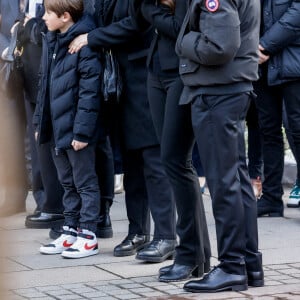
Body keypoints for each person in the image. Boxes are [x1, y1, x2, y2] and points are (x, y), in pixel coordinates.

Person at [69, 0, 177, 263]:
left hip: (145, 75)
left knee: (153, 161)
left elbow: (136, 24)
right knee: (132, 164)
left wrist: (92, 38)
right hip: (122, 80)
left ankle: (166, 236)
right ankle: (138, 231)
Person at [175, 0, 264, 292]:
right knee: (236, 180)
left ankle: (232, 267)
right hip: (228, 88)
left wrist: (185, 39)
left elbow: (219, 46)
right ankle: (248, 264)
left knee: (224, 183)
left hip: (218, 92)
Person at [137, 0, 211, 282]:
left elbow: (182, 27)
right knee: (171, 160)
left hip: (181, 73)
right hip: (156, 70)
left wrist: (150, 10)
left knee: (177, 161)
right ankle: (195, 254)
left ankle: (192, 254)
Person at [36, 0, 102, 259]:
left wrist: (82, 133)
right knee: (67, 183)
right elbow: (44, 84)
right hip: (56, 128)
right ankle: (71, 229)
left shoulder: (82, 46)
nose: (43, 18)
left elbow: (89, 93)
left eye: (48, 13)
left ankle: (88, 235)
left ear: (65, 16)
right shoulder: (51, 40)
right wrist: (40, 123)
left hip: (76, 130)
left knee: (84, 182)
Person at [14, 1, 65, 234]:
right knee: (36, 139)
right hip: (28, 62)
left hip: (49, 55)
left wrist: (32, 25)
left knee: (50, 135)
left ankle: (55, 203)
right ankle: (44, 199)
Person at [256, 0, 300, 217]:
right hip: (261, 65)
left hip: (292, 61)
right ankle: (271, 198)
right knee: (268, 130)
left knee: (298, 128)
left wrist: (263, 45)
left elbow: (296, 14)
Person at [0, 0, 28, 217]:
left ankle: (48, 200)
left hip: (39, 63)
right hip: (7, 67)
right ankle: (15, 196)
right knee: (11, 133)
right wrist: (6, 50)